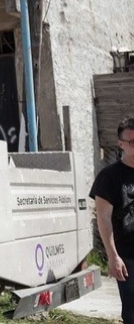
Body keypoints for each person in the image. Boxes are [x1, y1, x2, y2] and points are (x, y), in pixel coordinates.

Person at [91, 116, 134, 324]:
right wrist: (113, 256)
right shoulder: (109, 177)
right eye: (132, 142)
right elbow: (103, 218)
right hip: (128, 257)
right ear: (121, 144)